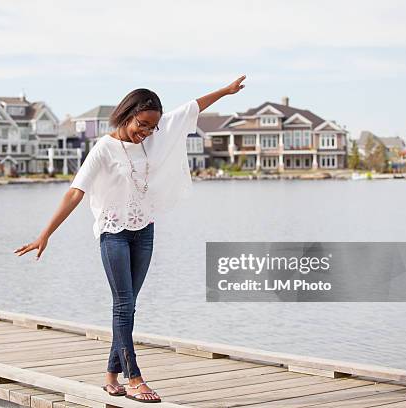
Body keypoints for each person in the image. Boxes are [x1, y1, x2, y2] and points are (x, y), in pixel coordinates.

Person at [14, 75, 246, 402]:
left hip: (144, 232)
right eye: (143, 124)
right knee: (123, 304)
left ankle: (110, 376)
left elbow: (193, 107)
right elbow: (74, 193)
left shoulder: (152, 138)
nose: (148, 132)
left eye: (153, 127)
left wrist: (226, 91)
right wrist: (45, 234)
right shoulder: (103, 149)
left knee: (129, 306)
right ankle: (134, 377)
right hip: (113, 234)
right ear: (128, 114)